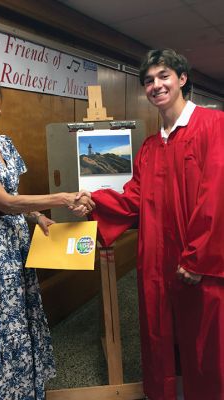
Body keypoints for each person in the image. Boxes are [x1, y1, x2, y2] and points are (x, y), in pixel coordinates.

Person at [79, 49, 224, 400]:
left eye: (163, 76)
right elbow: (134, 198)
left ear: (182, 79)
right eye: (148, 81)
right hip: (157, 261)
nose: (155, 85)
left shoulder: (213, 126)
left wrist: (197, 257)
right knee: (159, 338)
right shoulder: (149, 146)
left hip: (198, 262)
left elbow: (216, 195)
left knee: (206, 344)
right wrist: (92, 200)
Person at [0, 67, 94, 400]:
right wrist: (62, 198)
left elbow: (15, 194)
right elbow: (7, 202)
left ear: (0, 102)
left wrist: (38, 216)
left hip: (16, 240)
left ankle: (25, 390)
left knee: (20, 317)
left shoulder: (6, 144)